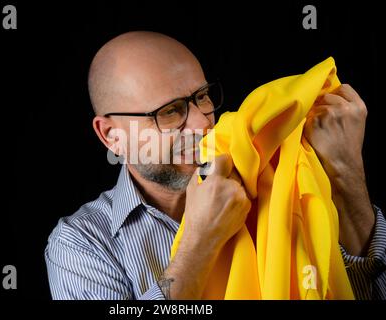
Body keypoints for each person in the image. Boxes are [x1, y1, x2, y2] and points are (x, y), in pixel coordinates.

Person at [44, 31, 386, 300]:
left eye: (202, 97)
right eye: (169, 111)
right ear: (112, 136)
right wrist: (199, 242)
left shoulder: (278, 177)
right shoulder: (81, 244)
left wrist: (345, 175)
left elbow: (361, 290)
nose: (200, 124)